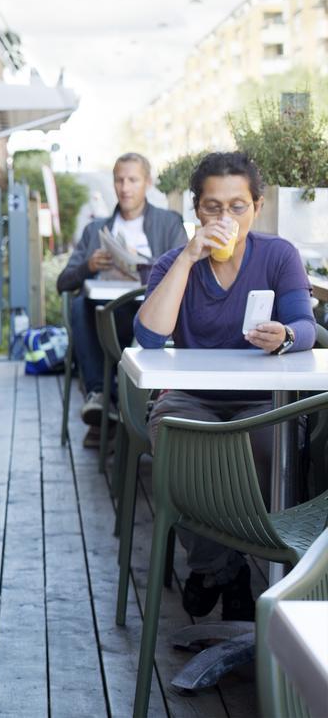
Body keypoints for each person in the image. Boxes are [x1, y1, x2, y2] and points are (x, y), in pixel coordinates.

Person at [135, 151, 314, 621]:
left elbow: (306, 326)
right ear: (197, 209)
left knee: (260, 448)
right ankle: (222, 566)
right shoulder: (176, 261)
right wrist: (189, 258)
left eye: (237, 206)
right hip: (191, 399)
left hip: (265, 402)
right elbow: (151, 336)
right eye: (213, 206)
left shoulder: (278, 256)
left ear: (256, 207)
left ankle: (232, 567)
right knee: (180, 447)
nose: (225, 218)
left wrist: (287, 336)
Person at [56, 152, 187, 441]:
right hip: (105, 319)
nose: (125, 188)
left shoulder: (169, 223)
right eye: (119, 180)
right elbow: (63, 281)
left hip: (153, 320)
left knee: (88, 310)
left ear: (147, 183)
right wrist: (89, 266)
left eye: (133, 180)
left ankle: (108, 414)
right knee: (80, 305)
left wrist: (143, 265)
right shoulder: (95, 229)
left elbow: (186, 269)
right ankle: (100, 396)